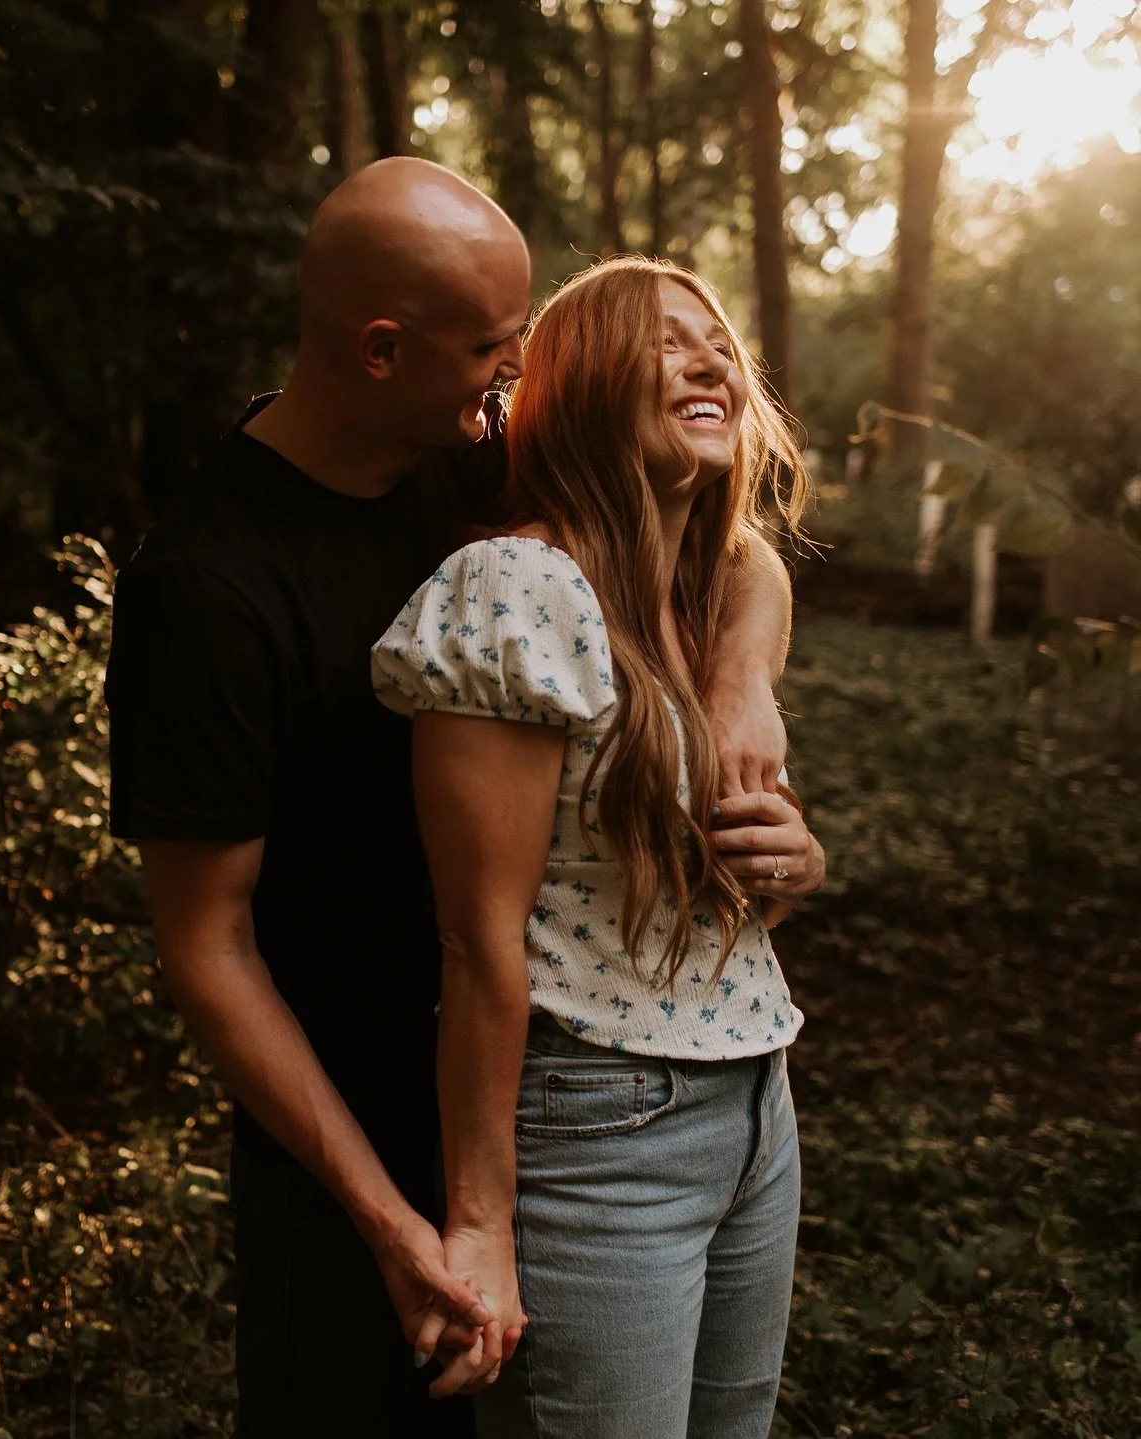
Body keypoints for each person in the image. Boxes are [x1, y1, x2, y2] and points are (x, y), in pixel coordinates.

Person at [106, 160, 796, 1437]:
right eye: (492, 343)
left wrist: (742, 689)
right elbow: (208, 943)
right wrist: (391, 1214)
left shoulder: (465, 455)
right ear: (383, 348)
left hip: (533, 1083)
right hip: (351, 1116)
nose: (520, 368)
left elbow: (723, 534)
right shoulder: (210, 589)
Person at [371, 254, 827, 1437]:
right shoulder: (517, 587)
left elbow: (754, 563)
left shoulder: (691, 596)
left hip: (753, 1106)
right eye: (665, 339)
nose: (711, 356)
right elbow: (476, 941)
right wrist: (481, 1221)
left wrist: (791, 861)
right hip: (597, 1128)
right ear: (577, 387)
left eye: (717, 338)